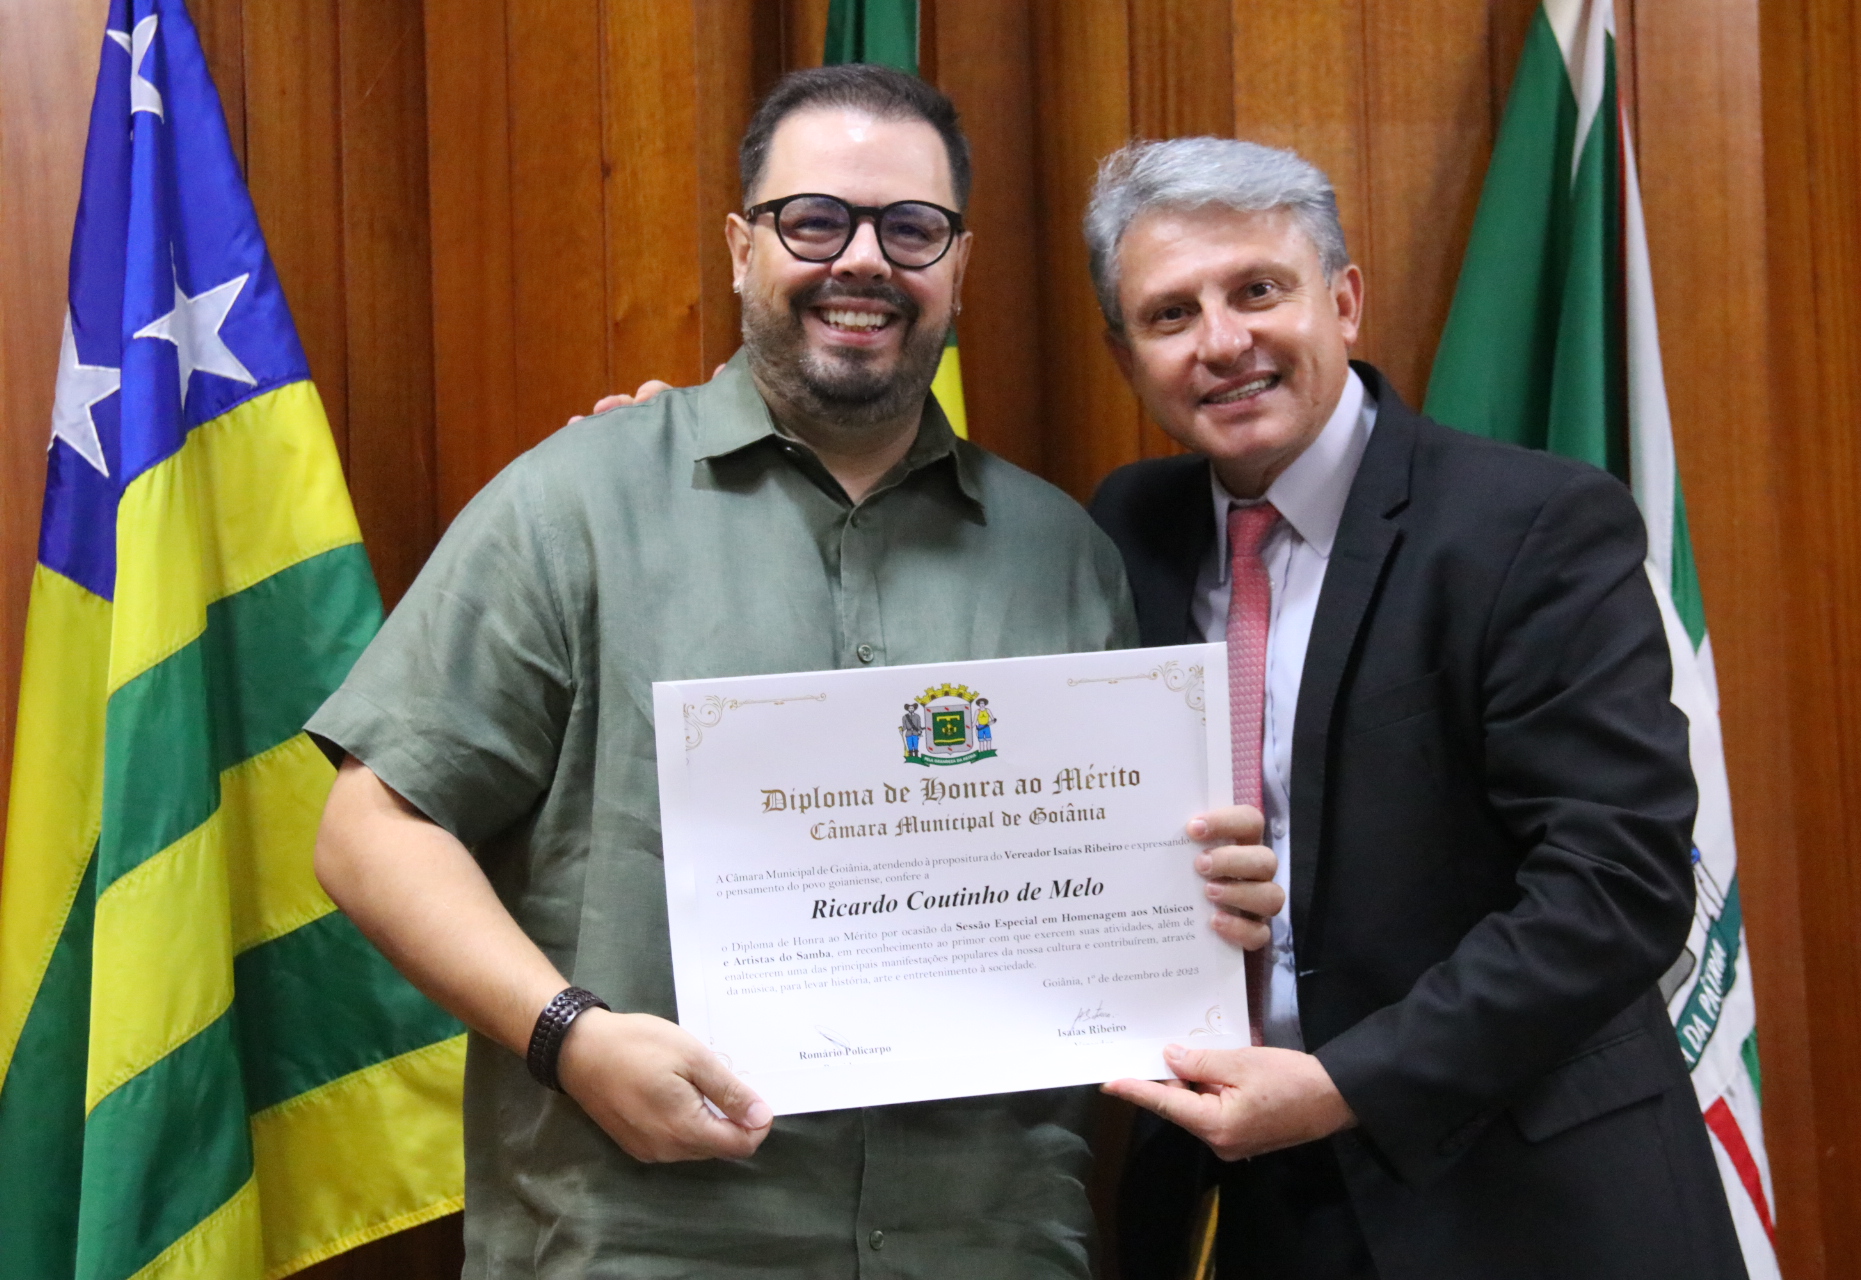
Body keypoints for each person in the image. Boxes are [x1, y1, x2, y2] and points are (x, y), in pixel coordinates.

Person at [307, 70, 1281, 1278]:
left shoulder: (1062, 553)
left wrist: (1199, 891)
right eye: (814, 220)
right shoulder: (575, 506)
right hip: (649, 1239)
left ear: (960, 266)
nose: (862, 259)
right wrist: (570, 1037)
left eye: (911, 227)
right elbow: (369, 831)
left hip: (986, 1243)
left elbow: (1112, 902)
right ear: (741, 248)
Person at [1085, 139, 1747, 1279]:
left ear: (1344, 300)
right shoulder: (1127, 530)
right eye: (1171, 314)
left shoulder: (1534, 526)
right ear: (1126, 356)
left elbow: (1619, 882)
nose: (1223, 342)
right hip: (1246, 1205)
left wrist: (1348, 1085)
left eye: (1258, 290)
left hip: (1523, 1203)